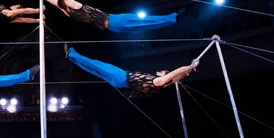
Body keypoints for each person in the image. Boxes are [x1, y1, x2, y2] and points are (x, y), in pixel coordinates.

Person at [42, 0, 181, 33]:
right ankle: (171, 17)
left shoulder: (67, 12)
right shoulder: (73, 5)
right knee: (144, 20)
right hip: (114, 20)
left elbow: (54, 2)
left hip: (113, 28)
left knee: (143, 26)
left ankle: (170, 21)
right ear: (65, 1)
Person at [65, 44, 197, 96]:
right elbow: (176, 77)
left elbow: (174, 73)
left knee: (96, 65)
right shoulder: (161, 85)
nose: (161, 71)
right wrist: (188, 71)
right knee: (95, 70)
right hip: (120, 82)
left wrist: (191, 66)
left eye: (164, 71)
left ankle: (72, 54)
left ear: (165, 76)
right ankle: (72, 57)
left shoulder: (159, 82)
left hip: (121, 77)